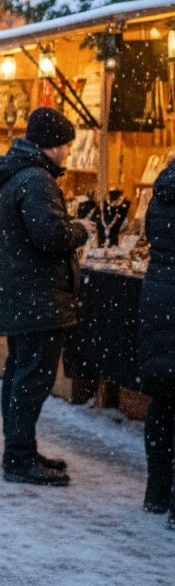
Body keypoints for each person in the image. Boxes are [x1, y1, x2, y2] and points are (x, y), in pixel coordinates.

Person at [0, 107, 90, 486]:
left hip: (23, 294)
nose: (66, 151)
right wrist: (78, 229)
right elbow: (50, 236)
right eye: (64, 144)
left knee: (20, 375)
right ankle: (18, 457)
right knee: (31, 379)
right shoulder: (36, 179)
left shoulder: (17, 174)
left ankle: (20, 448)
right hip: (38, 296)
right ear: (50, 145)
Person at [138, 157, 175, 524]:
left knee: (163, 402)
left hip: (158, 296)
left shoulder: (163, 189)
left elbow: (152, 234)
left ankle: (156, 491)